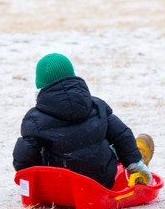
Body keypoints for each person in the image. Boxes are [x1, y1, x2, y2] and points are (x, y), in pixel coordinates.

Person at [13, 53, 154, 189]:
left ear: (40, 88)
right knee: (107, 147)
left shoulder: (34, 118)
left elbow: (24, 156)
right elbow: (121, 135)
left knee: (41, 147)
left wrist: (32, 180)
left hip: (58, 184)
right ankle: (139, 155)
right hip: (102, 180)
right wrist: (135, 165)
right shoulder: (97, 106)